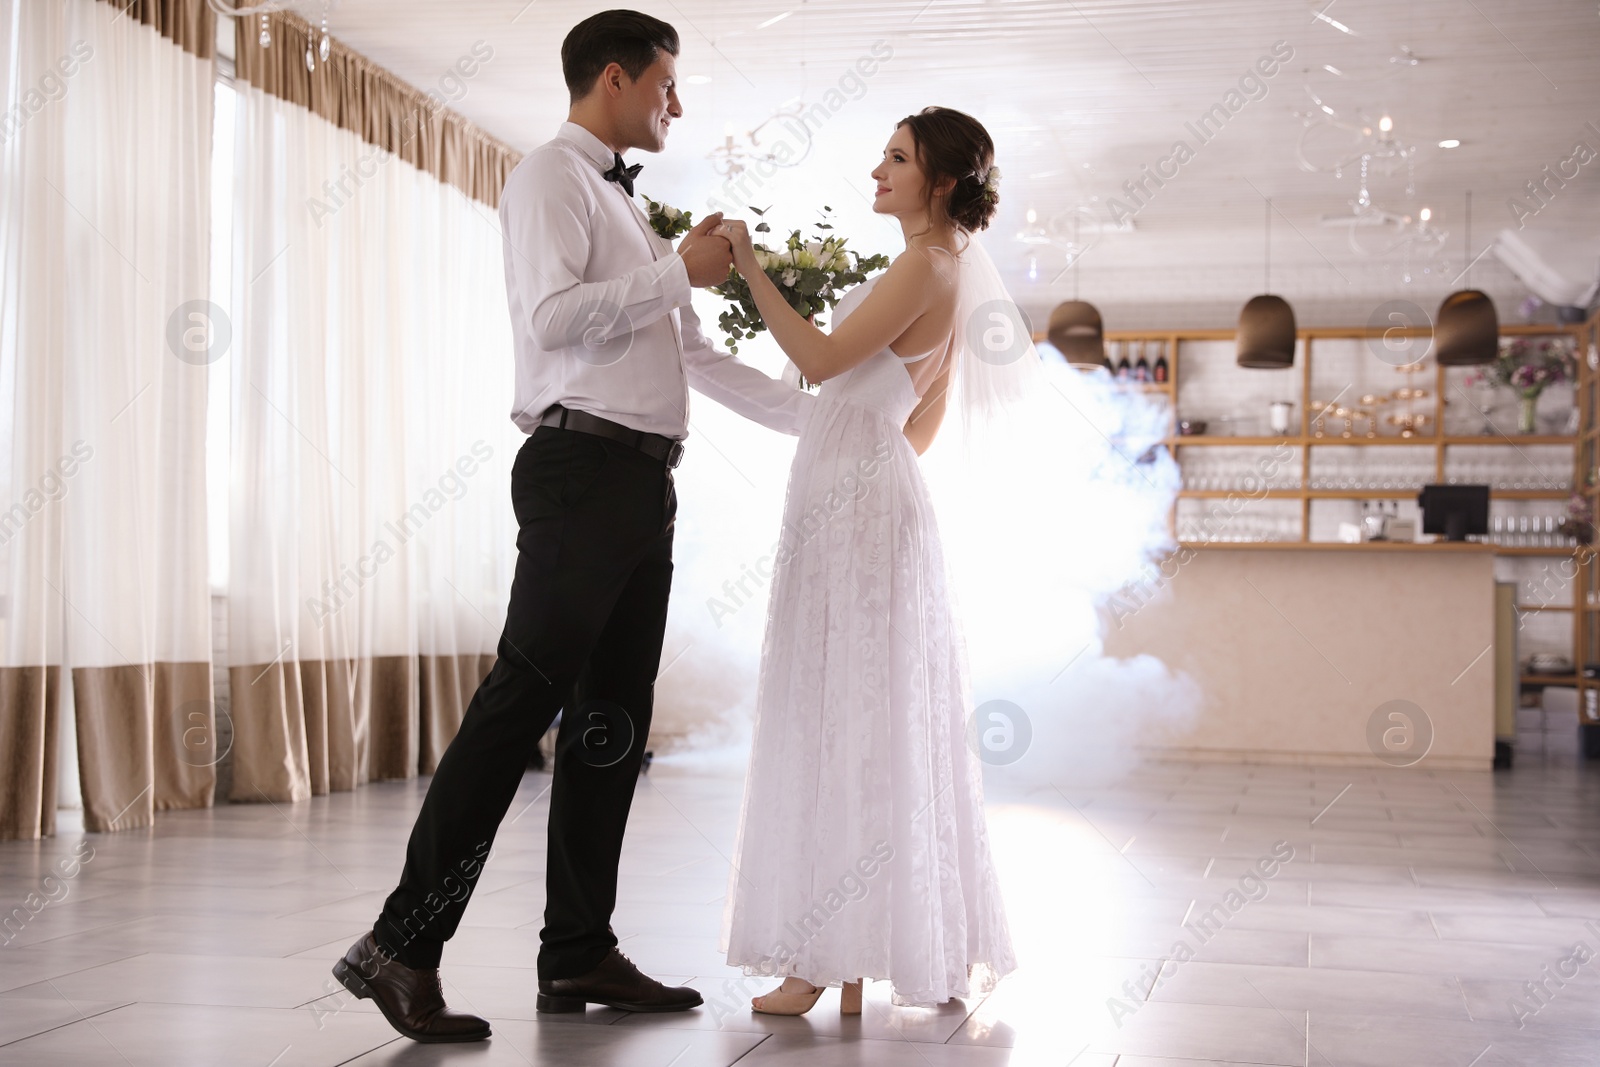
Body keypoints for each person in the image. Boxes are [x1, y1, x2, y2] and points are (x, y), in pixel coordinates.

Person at [332, 10, 812, 1043]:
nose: (676, 104)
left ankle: (577, 948)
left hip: (641, 484)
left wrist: (829, 416)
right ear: (614, 78)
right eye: (667, 85)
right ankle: (400, 943)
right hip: (579, 467)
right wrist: (678, 271)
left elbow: (694, 357)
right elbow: (551, 320)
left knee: (611, 727)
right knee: (520, 705)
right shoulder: (549, 175)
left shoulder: (624, 206)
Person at [713, 107, 1020, 1014]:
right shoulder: (949, 271)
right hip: (873, 491)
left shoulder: (926, 263)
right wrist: (865, 457)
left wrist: (748, 262)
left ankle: (821, 960)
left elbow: (817, 354)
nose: (877, 169)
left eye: (897, 158)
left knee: (833, 709)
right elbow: (923, 415)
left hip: (853, 501)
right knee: (871, 712)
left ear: (945, 181)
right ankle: (848, 956)